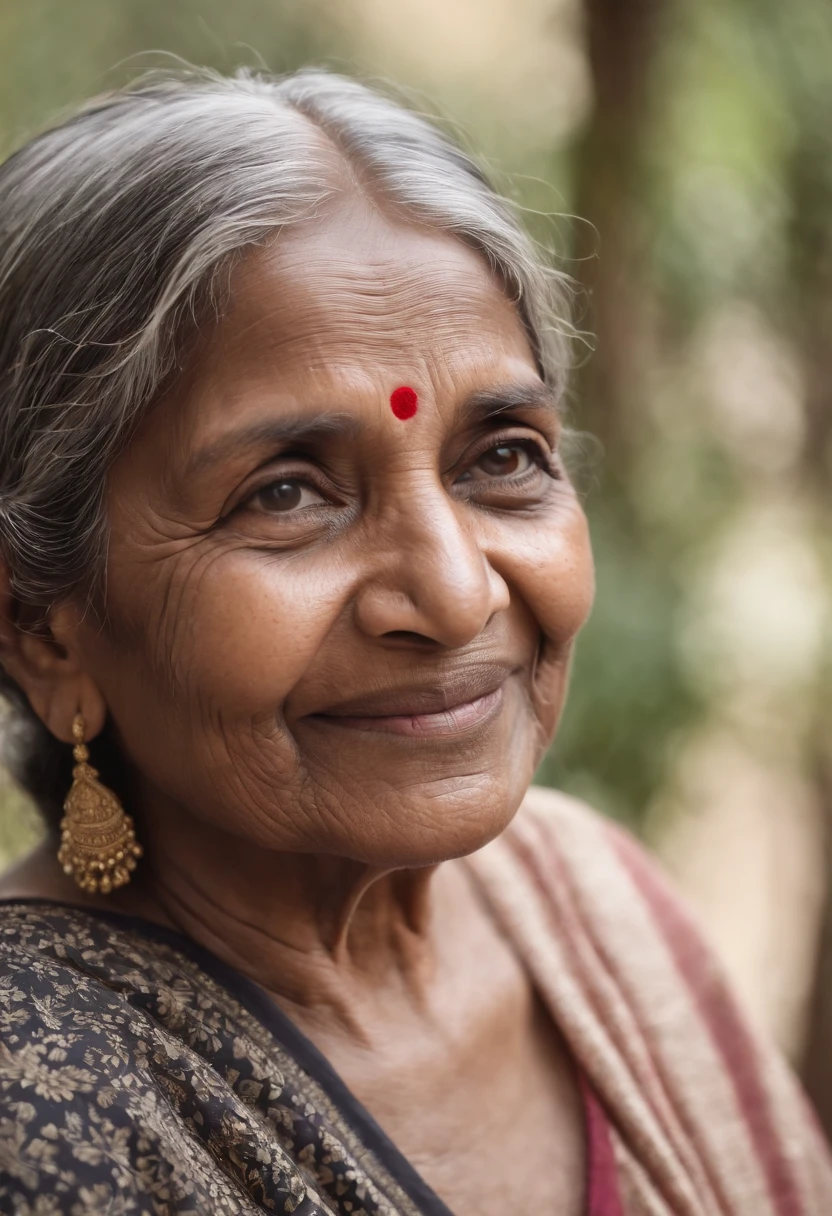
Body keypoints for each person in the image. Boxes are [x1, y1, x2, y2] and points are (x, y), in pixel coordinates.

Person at [0, 67, 826, 1216]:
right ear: (43, 631)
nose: (449, 593)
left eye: (503, 458)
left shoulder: (593, 901)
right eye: (285, 494)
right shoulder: (40, 1111)